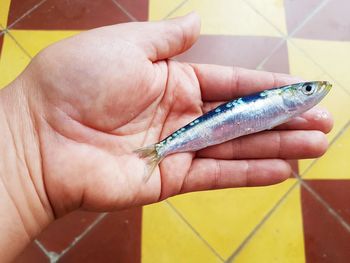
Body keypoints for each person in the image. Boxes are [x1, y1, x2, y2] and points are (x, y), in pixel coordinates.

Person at [0, 13, 332, 261]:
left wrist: (22, 133)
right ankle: (160, 150)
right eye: (306, 90)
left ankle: (161, 149)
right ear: (291, 94)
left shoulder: (284, 107)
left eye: (308, 91)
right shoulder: (281, 103)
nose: (311, 93)